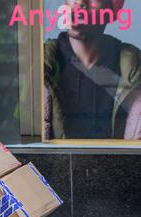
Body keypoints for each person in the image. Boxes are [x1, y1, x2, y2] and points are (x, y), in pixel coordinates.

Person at [44, 0, 141, 140]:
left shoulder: (134, 66)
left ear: (110, 12)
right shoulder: (41, 63)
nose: (80, 2)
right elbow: (23, 130)